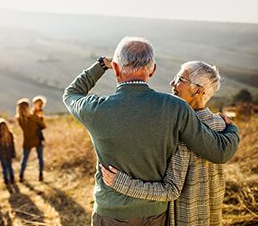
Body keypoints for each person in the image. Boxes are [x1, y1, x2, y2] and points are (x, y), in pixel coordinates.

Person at [62, 36, 240, 225]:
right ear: (153, 70)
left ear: (115, 68)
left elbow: (71, 94)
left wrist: (100, 66)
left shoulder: (95, 109)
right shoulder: (176, 107)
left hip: (111, 213)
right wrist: (232, 129)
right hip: (156, 215)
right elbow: (219, 152)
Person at [101, 61, 231, 225]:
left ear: (198, 90)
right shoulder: (222, 124)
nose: (172, 83)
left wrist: (122, 184)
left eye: (180, 79)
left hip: (185, 220)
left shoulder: (180, 131)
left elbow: (171, 190)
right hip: (212, 218)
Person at [16, 98, 46, 182]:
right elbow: (43, 126)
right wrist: (40, 118)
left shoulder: (19, 119)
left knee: (24, 159)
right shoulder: (34, 117)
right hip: (37, 139)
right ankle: (40, 175)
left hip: (27, 140)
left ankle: (21, 175)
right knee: (40, 158)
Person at [0, 118, 16, 185]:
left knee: (4, 168)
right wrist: (13, 154)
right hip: (9, 154)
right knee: (10, 167)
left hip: (2, 155)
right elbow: (12, 146)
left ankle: (6, 180)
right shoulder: (10, 134)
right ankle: (12, 179)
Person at [31, 95, 47, 181]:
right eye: (35, 103)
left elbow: (42, 125)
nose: (36, 105)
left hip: (38, 136)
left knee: (40, 156)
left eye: (38, 103)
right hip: (31, 136)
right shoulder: (31, 112)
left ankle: (40, 174)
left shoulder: (40, 112)